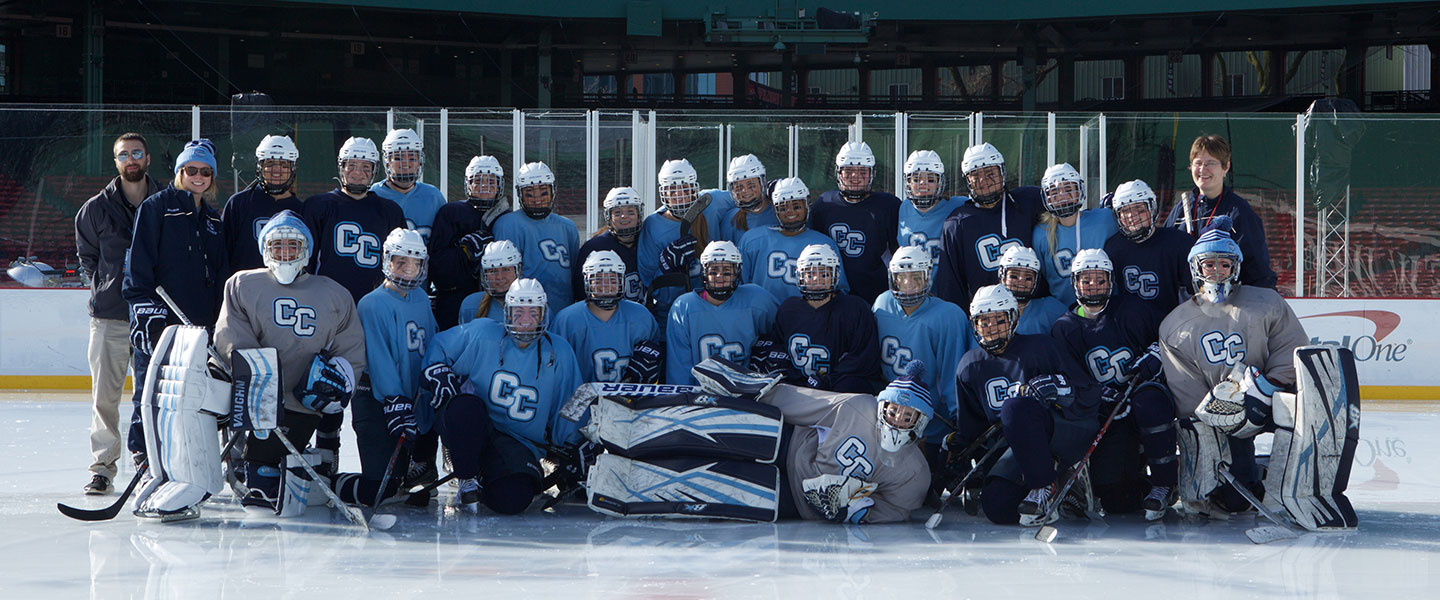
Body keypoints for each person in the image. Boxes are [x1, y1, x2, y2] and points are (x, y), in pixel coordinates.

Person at [1157, 219, 1318, 518]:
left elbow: (1291, 346)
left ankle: (1298, 484)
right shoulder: (1174, 325)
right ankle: (1252, 474)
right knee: (1236, 501)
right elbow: (1185, 387)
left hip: (1269, 398)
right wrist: (1213, 409)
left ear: (1236, 267)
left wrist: (1268, 387)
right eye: (1209, 265)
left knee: (1308, 421)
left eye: (1225, 265)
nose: (1217, 271)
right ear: (1196, 268)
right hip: (1222, 413)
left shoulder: (1266, 301)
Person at [212, 211, 367, 513]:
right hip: (253, 400)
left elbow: (350, 347)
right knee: (259, 478)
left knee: (268, 478)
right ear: (265, 249)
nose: (285, 253)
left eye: (292, 246)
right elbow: (231, 336)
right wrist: (259, 377)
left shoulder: (335, 294)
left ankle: (307, 467)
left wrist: (339, 380)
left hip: (302, 402)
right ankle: (211, 468)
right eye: (277, 246)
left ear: (305, 250)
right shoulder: (242, 284)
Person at [688, 358, 933, 523]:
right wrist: (755, 391)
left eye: (907, 416)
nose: (897, 419)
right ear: (883, 405)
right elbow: (808, 403)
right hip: (791, 448)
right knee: (723, 440)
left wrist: (855, 510)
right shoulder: (858, 406)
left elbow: (897, 510)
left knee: (724, 483)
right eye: (894, 410)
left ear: (919, 421)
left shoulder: (915, 472)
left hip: (798, 504)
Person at [420, 278, 584, 513]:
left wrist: (571, 446)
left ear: (544, 314)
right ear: (506, 313)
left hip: (518, 442)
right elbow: (440, 346)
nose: (525, 320)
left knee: (512, 499)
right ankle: (466, 477)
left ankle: (485, 475)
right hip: (474, 428)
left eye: (533, 313)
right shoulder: (483, 333)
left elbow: (569, 403)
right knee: (465, 407)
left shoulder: (559, 352)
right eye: (518, 312)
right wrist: (438, 372)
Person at [951, 285, 1101, 526]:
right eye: (984, 322)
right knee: (997, 506)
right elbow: (972, 428)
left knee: (1015, 408)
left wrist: (1056, 386)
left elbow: (1086, 391)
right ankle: (1061, 483)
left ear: (1013, 319)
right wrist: (953, 454)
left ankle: (1045, 485)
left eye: (999, 320)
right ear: (974, 325)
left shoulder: (1042, 347)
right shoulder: (969, 365)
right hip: (1016, 446)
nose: (991, 328)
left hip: (1058, 433)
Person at [122, 138, 228, 470]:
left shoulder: (212, 220)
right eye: (191, 170)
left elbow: (219, 277)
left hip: (198, 328)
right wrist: (145, 313)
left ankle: (185, 457)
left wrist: (219, 322)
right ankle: (144, 454)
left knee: (193, 395)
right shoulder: (156, 208)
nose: (198, 177)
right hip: (162, 325)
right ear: (180, 172)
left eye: (205, 172)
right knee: (151, 391)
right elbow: (138, 269)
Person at [1050, 248, 1176, 520]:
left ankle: (1164, 482)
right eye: (1086, 280)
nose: (1093, 286)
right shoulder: (1065, 328)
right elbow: (1073, 377)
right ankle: (1134, 483)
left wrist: (1156, 353)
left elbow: (1170, 334)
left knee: (1151, 404)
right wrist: (1100, 395)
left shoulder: (1132, 310)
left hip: (1141, 394)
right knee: (1118, 500)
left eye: (1100, 280)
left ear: (1111, 281)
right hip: (1106, 411)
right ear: (1074, 283)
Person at [74, 132, 162, 494]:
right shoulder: (95, 208)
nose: (131, 159)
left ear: (147, 158)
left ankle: (152, 464)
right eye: (123, 154)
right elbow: (88, 259)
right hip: (109, 318)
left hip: (154, 318)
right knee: (104, 399)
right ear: (116, 162)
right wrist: (109, 288)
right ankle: (103, 469)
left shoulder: (165, 201)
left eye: (136, 153)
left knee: (152, 397)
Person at [335, 228, 437, 507]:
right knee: (379, 490)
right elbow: (378, 359)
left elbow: (431, 344)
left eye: (414, 263)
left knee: (397, 483)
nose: (408, 269)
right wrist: (395, 399)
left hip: (409, 400)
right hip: (378, 401)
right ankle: (325, 482)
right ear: (387, 261)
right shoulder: (372, 304)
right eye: (401, 261)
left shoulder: (421, 299)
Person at [871, 245, 973, 447]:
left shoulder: (949, 316)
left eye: (916, 277)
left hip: (931, 419)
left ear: (928, 277)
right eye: (902, 276)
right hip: (887, 412)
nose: (908, 283)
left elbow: (952, 375)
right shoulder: (882, 304)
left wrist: (958, 418)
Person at [933, 143, 1046, 311]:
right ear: (967, 180)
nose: (983, 180)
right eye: (975, 175)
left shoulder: (1028, 202)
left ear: (1002, 173)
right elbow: (951, 284)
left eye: (990, 173)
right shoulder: (957, 224)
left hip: (1032, 312)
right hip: (988, 318)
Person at [1163, 134, 1278, 289]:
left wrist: (1261, 298)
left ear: (1226, 167)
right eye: (1198, 163)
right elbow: (1164, 257)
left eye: (1210, 163)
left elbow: (1258, 270)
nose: (1203, 169)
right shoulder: (1182, 209)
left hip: (1227, 299)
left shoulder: (1238, 212)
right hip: (1188, 300)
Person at [302, 137, 407, 304]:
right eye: (351, 166)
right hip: (327, 302)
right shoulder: (318, 206)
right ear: (341, 167)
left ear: (374, 171)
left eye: (365, 167)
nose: (358, 173)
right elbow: (306, 262)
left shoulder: (390, 211)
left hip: (375, 304)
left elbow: (400, 264)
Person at [770, 244, 880, 394]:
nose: (816, 280)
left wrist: (828, 380)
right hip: (795, 389)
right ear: (800, 276)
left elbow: (863, 358)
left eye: (824, 274)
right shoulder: (788, 309)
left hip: (836, 390)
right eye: (810, 274)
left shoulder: (855, 309)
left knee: (851, 386)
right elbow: (777, 348)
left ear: (835, 275)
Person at [665, 241, 779, 385]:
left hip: (748, 389)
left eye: (727, 271)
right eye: (713, 271)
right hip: (700, 392)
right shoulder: (683, 307)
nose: (719, 276)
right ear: (704, 272)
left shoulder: (757, 300)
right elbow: (679, 369)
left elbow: (780, 333)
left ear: (737, 272)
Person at [808, 142, 901, 302]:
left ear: (872, 173)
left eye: (862, 171)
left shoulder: (888, 206)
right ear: (839, 172)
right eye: (849, 170)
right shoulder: (824, 205)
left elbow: (899, 252)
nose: (855, 176)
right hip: (832, 297)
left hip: (876, 295)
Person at [551, 250, 660, 383]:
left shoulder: (641, 316)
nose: (606, 286)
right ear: (587, 281)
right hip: (581, 395)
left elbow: (654, 358)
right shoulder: (567, 320)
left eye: (613, 279)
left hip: (630, 395)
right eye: (598, 279)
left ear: (621, 281)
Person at [638, 158, 726, 320]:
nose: (679, 194)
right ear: (663, 192)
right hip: (673, 312)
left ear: (694, 188)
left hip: (713, 306)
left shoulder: (711, 202)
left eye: (685, 188)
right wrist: (668, 267)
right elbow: (651, 284)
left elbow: (744, 198)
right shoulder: (652, 225)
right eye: (672, 189)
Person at [428, 155, 509, 330]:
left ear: (499, 185)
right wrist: (464, 253)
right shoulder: (451, 212)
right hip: (454, 302)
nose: (485, 186)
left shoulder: (506, 218)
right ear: (468, 184)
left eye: (491, 181)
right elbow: (437, 268)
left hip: (496, 301)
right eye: (478, 181)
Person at [738, 177, 849, 302]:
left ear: (807, 206)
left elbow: (838, 290)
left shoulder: (824, 244)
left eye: (796, 206)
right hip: (762, 312)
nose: (790, 212)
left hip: (807, 313)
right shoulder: (753, 240)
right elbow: (739, 287)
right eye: (783, 208)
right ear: (775, 210)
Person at [492, 161, 579, 314]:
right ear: (520, 194)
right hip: (525, 314)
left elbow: (574, 275)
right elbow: (503, 277)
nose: (537, 198)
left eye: (543, 192)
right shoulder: (507, 224)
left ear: (553, 191)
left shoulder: (568, 227)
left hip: (563, 311)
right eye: (529, 193)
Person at [1103, 179, 1194, 314]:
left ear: (1152, 209)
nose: (1132, 216)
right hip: (1130, 323)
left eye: (1139, 209)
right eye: (1125, 210)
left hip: (1173, 322)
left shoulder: (1179, 243)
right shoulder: (1113, 248)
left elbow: (1195, 293)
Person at [1033, 163, 1117, 307]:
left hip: (1107, 309)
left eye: (1068, 189)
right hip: (1064, 312)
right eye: (1055, 191)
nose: (1062, 195)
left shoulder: (1105, 220)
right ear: (1047, 198)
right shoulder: (1041, 234)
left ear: (1079, 191)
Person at [221, 135, 304, 278]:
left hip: (289, 288)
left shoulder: (302, 210)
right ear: (260, 166)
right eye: (270, 163)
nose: (276, 170)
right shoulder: (239, 204)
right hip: (245, 287)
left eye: (284, 164)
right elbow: (222, 253)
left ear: (293, 168)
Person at [572, 187, 646, 308]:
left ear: (639, 214)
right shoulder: (595, 248)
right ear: (608, 216)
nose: (624, 216)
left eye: (630, 212)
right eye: (617, 213)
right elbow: (581, 293)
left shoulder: (648, 240)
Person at [369, 129, 446, 243]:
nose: (405, 163)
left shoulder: (433, 196)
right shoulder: (374, 194)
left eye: (412, 158)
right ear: (387, 161)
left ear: (419, 161)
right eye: (398, 158)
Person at [896, 150, 965, 269]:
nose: (923, 183)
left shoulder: (958, 205)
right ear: (908, 183)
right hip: (914, 279)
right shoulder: (904, 208)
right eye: (916, 179)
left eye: (931, 179)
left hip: (946, 280)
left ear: (939, 183)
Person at [997, 246, 1066, 335]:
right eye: (1014, 276)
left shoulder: (1051, 309)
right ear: (1003, 277)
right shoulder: (988, 313)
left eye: (1028, 277)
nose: (1021, 280)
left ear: (1036, 281)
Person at [713, 154, 775, 244]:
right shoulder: (730, 220)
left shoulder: (780, 214)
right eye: (738, 187)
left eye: (751, 185)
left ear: (762, 184)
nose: (745, 191)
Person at [458, 239, 522, 325]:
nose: (499, 277)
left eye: (506, 269)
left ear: (518, 271)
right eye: (492, 271)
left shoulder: (532, 304)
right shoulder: (470, 305)